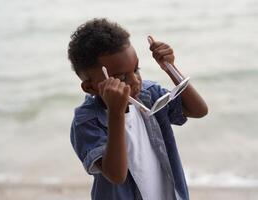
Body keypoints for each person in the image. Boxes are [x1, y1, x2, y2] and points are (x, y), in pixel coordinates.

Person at [68, 18, 208, 200]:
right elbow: (116, 175)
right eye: (121, 77)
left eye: (136, 69)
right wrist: (117, 113)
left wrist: (170, 68)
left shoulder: (148, 95)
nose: (135, 81)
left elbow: (199, 110)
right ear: (91, 87)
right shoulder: (86, 121)